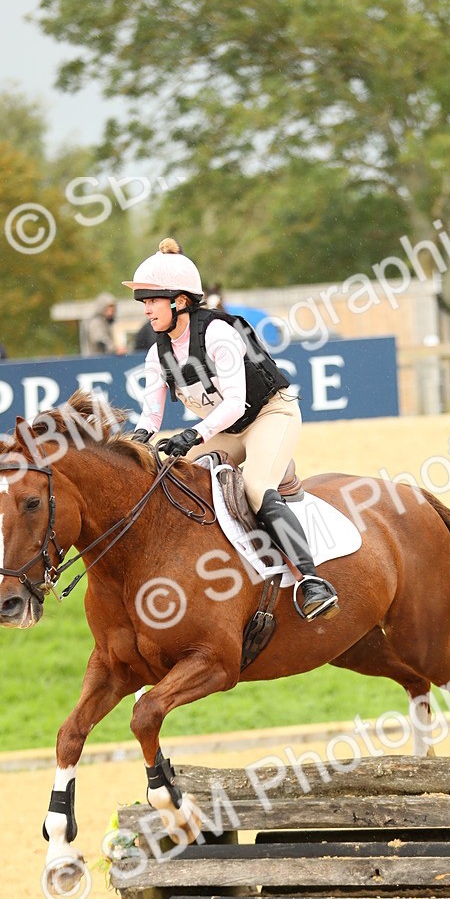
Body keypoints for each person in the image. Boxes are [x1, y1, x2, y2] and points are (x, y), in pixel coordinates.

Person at [123, 237, 339, 621]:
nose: (146, 309)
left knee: (256, 487)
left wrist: (192, 434)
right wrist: (136, 441)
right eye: (144, 301)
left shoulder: (219, 334)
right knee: (167, 477)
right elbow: (150, 417)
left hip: (271, 416)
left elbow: (236, 403)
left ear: (180, 300)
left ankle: (311, 580)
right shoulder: (157, 352)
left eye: (153, 300)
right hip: (225, 430)